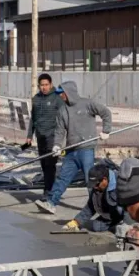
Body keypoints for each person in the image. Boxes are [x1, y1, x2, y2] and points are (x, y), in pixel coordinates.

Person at [35, 81, 112, 215]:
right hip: (71, 151)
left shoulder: (88, 104)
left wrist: (106, 130)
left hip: (86, 149)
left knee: (91, 179)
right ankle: (51, 203)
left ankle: (99, 206)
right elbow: (59, 131)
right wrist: (57, 145)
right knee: (63, 177)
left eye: (61, 93)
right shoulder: (62, 110)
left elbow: (106, 113)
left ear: (68, 92)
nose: (60, 96)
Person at [20, 73, 61, 197]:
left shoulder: (57, 98)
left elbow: (64, 117)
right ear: (38, 86)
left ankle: (48, 191)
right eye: (42, 85)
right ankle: (49, 188)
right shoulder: (36, 99)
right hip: (40, 136)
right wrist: (29, 135)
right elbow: (33, 118)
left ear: (51, 84)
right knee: (43, 163)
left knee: (50, 164)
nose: (44, 87)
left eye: (46, 85)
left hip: (53, 136)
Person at [62, 162, 127, 233]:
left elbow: (132, 204)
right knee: (97, 227)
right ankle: (117, 223)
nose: (95, 187)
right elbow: (90, 207)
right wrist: (76, 222)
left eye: (96, 185)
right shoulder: (97, 187)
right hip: (113, 213)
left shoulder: (121, 182)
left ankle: (126, 224)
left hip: (129, 212)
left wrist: (127, 225)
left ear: (104, 179)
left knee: (120, 209)